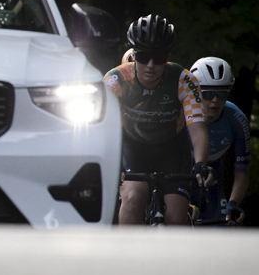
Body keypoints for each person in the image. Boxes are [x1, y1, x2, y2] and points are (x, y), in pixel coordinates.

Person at [104, 14, 212, 225]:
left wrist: (200, 164)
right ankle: (126, 256)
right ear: (133, 55)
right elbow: (106, 130)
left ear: (168, 56)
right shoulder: (116, 80)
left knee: (175, 215)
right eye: (143, 56)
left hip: (172, 150)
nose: (151, 65)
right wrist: (110, 163)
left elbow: (198, 130)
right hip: (132, 149)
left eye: (159, 57)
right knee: (133, 197)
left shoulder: (183, 79)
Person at [189, 57, 250, 225]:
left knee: (219, 227)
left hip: (214, 176)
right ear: (195, 92)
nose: (215, 100)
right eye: (207, 93)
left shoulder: (236, 119)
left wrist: (233, 204)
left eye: (222, 93)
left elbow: (242, 174)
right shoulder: (181, 114)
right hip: (180, 172)